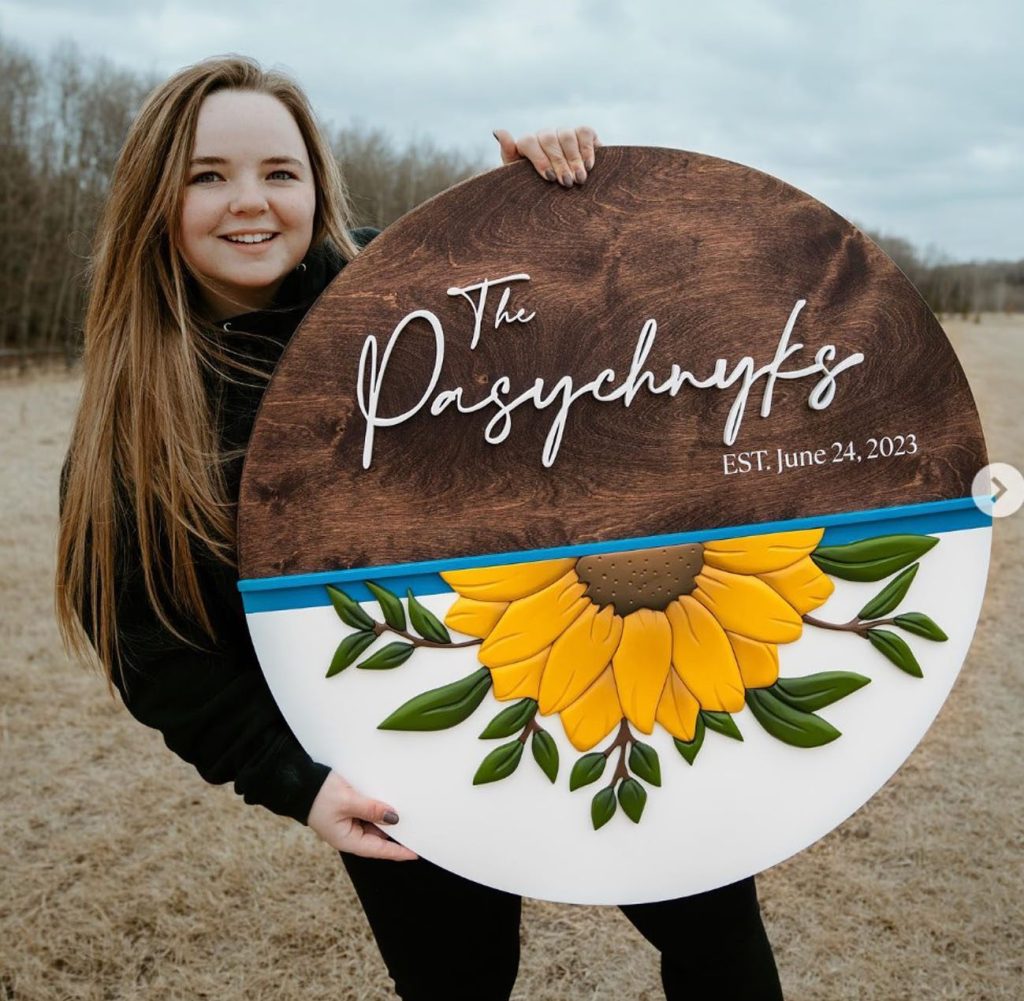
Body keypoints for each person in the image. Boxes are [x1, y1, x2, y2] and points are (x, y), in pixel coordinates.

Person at [55, 55, 784, 1001]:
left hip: (608, 681)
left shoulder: (406, 293)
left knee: (718, 945)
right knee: (457, 984)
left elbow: (598, 314)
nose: (252, 202)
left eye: (281, 172)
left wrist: (548, 198)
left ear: (318, 185)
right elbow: (156, 650)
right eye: (208, 175)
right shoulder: (138, 422)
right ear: (154, 198)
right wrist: (298, 781)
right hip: (396, 741)